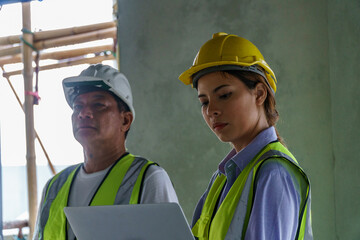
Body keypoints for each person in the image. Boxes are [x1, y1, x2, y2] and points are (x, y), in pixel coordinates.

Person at [178, 32, 313, 240]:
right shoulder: (222, 178)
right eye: (204, 101)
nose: (211, 110)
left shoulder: (273, 173)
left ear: (259, 93)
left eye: (224, 95)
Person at [33, 64, 178, 240]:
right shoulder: (53, 188)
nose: (84, 113)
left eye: (98, 105)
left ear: (125, 120)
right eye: (78, 106)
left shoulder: (148, 178)